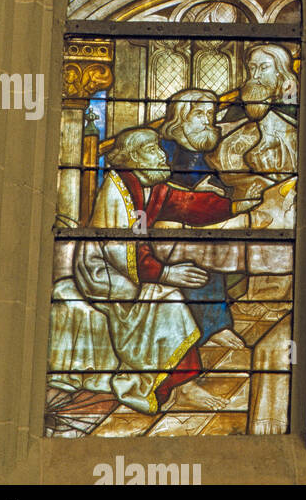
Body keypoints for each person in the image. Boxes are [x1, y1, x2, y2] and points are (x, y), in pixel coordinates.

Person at [47, 128, 232, 420]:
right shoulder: (117, 190)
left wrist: (238, 204)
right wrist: (165, 273)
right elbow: (119, 250)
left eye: (160, 149)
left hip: (128, 269)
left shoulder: (149, 185)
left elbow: (187, 205)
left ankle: (179, 381)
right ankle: (170, 384)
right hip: (103, 273)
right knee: (167, 298)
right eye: (153, 151)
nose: (163, 155)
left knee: (169, 293)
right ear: (133, 159)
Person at [210, 44, 299, 201]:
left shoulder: (292, 102)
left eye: (264, 67)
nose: (256, 75)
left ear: (280, 71)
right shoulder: (241, 104)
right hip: (243, 189)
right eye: (252, 68)